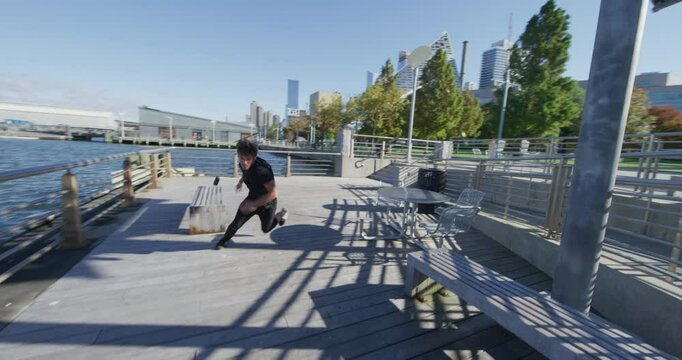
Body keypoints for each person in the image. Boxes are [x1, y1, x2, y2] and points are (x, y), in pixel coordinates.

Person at [215, 139, 287, 249]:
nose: (244, 162)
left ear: (254, 157)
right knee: (236, 222)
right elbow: (246, 173)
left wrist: (254, 204)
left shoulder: (262, 171)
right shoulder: (242, 164)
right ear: (238, 155)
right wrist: (240, 182)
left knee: (266, 229)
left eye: (248, 159)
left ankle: (281, 214)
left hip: (268, 203)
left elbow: (274, 192)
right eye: (242, 158)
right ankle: (223, 241)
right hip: (253, 197)